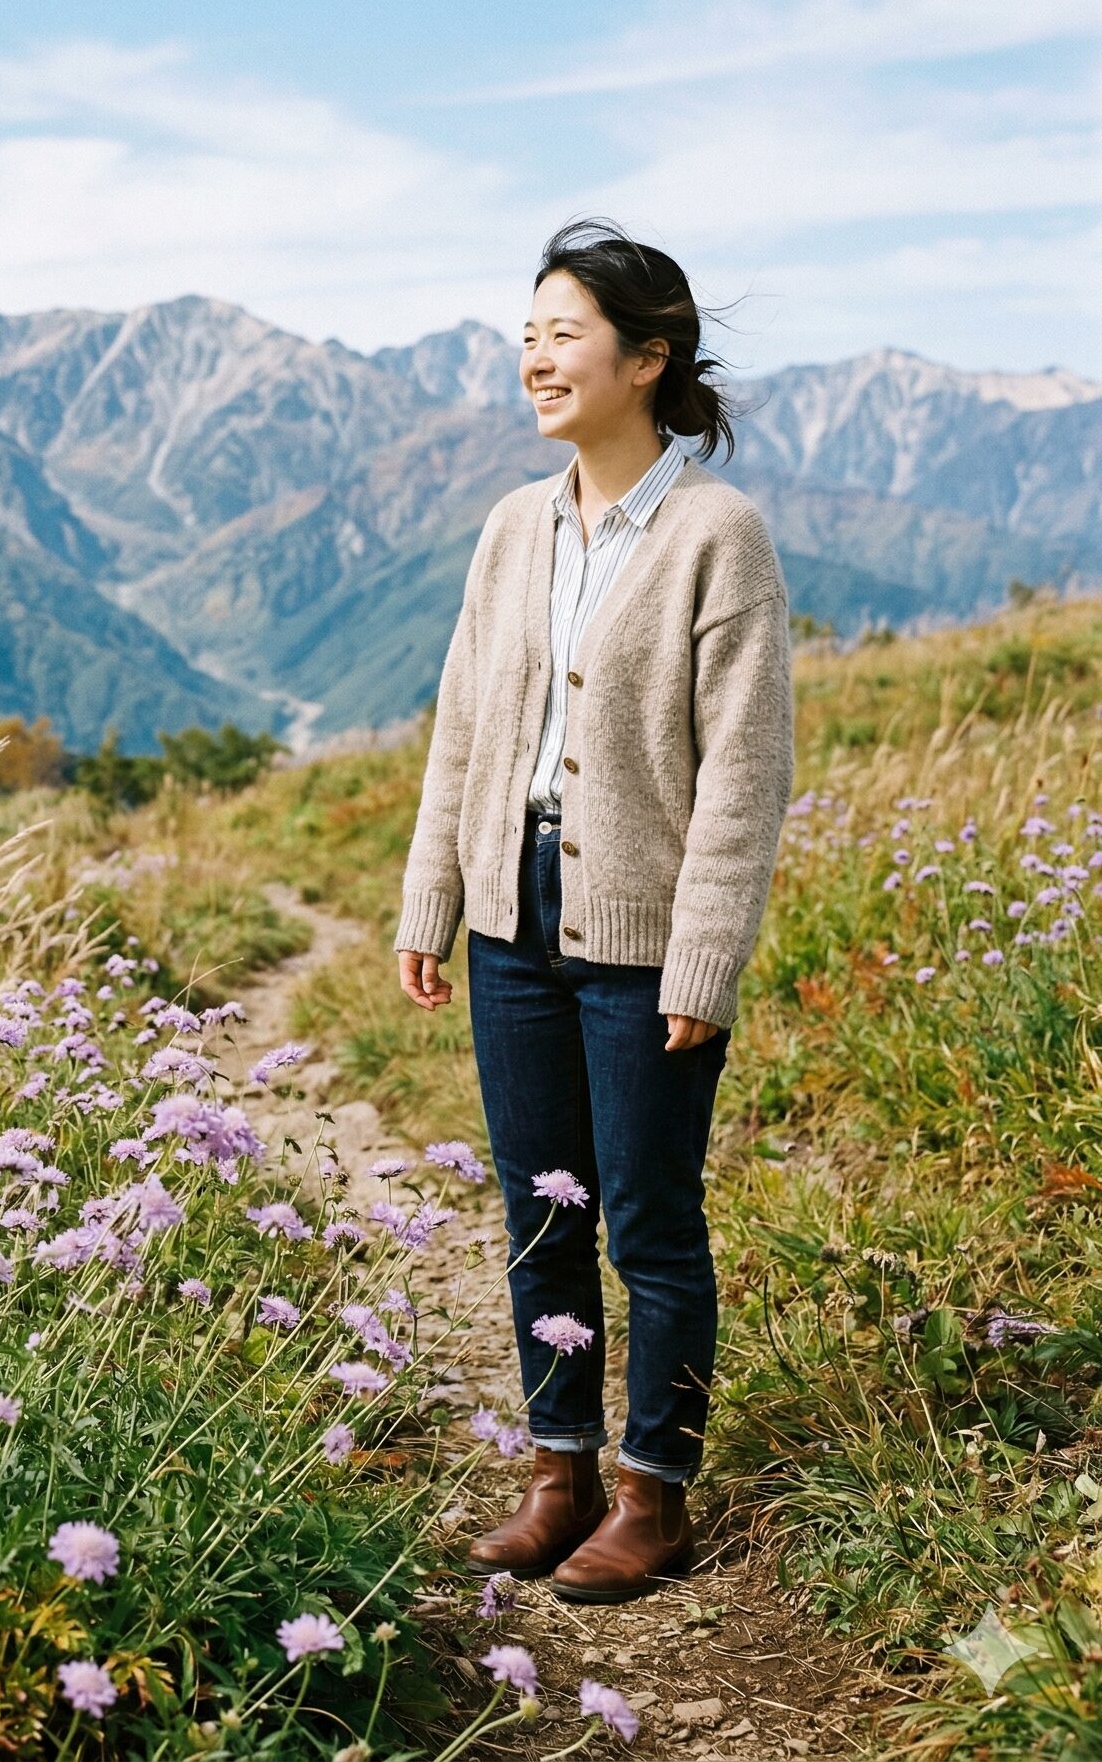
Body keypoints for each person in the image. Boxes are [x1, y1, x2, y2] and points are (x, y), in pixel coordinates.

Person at [395, 219, 795, 1604]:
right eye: (527, 337)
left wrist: (707, 954)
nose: (534, 360)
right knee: (538, 1208)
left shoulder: (714, 536)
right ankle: (555, 1467)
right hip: (514, 915)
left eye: (561, 335)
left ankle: (652, 1490)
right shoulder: (512, 528)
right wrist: (430, 897)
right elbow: (464, 726)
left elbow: (744, 773)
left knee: (647, 1217)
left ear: (648, 358)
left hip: (641, 928)